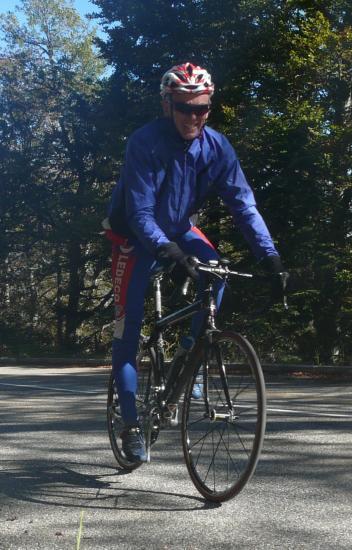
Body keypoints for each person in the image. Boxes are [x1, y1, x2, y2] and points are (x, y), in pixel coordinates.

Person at [103, 62, 287, 464]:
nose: (194, 117)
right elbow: (139, 212)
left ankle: (190, 357)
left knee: (218, 272)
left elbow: (243, 204)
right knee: (128, 330)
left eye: (202, 108)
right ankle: (131, 424)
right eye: (185, 108)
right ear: (167, 104)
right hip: (135, 236)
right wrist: (167, 250)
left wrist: (269, 255)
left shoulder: (217, 146)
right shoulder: (145, 142)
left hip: (181, 228)